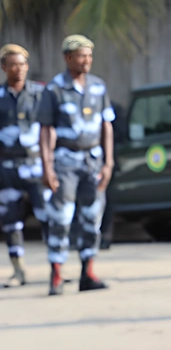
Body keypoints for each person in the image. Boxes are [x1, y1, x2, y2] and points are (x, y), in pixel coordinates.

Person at [39, 35, 115, 295]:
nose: (87, 61)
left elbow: (107, 125)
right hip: (65, 162)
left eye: (90, 56)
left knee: (92, 217)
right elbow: (46, 130)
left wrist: (108, 162)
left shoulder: (98, 86)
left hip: (92, 162)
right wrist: (47, 167)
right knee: (61, 218)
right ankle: (57, 274)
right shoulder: (54, 89)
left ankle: (88, 273)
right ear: (68, 58)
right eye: (82, 56)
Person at [0, 44, 49, 287]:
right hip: (7, 168)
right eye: (12, 65)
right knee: (11, 220)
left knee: (48, 216)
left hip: (37, 166)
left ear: (27, 67)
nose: (17, 69)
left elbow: (50, 130)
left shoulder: (40, 94)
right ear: (4, 68)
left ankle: (55, 268)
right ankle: (18, 271)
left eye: (21, 64)